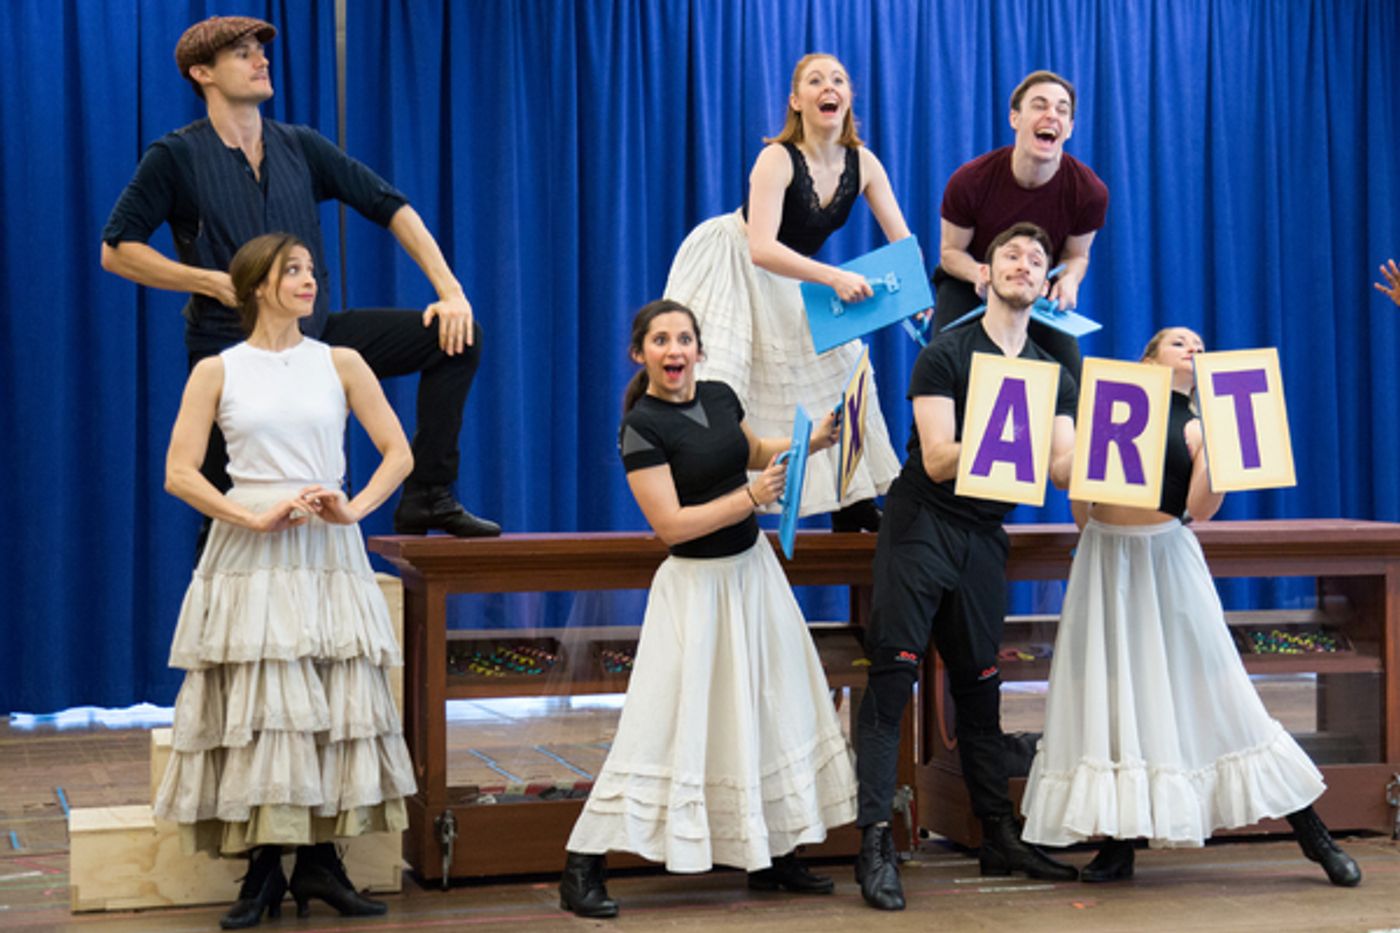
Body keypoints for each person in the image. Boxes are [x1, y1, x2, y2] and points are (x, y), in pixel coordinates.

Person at [101, 15, 497, 539]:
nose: (262, 59)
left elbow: (389, 206)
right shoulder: (176, 157)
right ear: (203, 73)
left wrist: (450, 292)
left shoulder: (300, 145)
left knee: (455, 341)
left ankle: (428, 494)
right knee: (224, 515)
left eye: (260, 50)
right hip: (230, 346)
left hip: (315, 336)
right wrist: (212, 282)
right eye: (242, 53)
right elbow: (118, 250)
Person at [1019, 327, 1362, 888]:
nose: (1193, 349)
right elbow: (1082, 505)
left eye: (1201, 345)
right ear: (1150, 356)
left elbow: (1200, 507)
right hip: (1107, 560)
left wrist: (1219, 456)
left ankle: (1311, 832)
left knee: (1223, 693)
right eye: (1180, 342)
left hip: (1166, 561)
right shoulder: (1110, 408)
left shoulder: (1203, 427)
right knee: (1113, 697)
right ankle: (1119, 844)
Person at [558, 299, 857, 918]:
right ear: (640, 354)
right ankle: (582, 863)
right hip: (695, 592)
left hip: (754, 577)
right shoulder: (640, 428)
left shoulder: (720, 395)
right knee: (660, 725)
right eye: (661, 341)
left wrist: (818, 439)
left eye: (685, 339)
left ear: (700, 350)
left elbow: (751, 450)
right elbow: (671, 526)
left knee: (773, 711)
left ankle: (773, 857)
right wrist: (750, 499)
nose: (675, 351)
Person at [156, 232, 418, 928]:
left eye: (310, 270)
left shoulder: (340, 361)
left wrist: (351, 508)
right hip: (252, 549)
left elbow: (399, 453)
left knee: (327, 702)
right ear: (255, 285)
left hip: (325, 550)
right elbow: (179, 471)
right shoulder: (219, 369)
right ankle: (265, 868)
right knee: (263, 705)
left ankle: (322, 865)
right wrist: (251, 513)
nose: (307, 280)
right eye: (291, 270)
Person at [853, 223, 1080, 911]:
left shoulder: (1054, 369)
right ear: (985, 272)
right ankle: (874, 843)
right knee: (892, 680)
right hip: (923, 521)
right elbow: (940, 455)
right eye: (1010, 254)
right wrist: (1014, 426)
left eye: (1038, 259)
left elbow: (1065, 464)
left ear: (1046, 284)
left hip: (985, 533)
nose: (1024, 264)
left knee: (982, 688)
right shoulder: (946, 353)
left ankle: (999, 834)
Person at [663, 52, 915, 532]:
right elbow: (761, 248)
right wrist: (835, 278)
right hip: (735, 261)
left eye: (838, 80)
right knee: (726, 381)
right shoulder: (776, 158)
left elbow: (902, 246)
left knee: (845, 372)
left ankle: (853, 501)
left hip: (796, 275)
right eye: (816, 81)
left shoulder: (863, 164)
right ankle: (719, 502)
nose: (829, 87)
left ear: (848, 98)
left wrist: (911, 297)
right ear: (796, 101)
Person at [933, 70, 1109, 383]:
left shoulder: (1089, 191)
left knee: (1071, 379)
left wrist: (1069, 281)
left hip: (1034, 289)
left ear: (1069, 128)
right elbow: (950, 252)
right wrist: (981, 275)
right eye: (1040, 106)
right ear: (1015, 118)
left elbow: (1077, 255)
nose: (1051, 115)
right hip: (971, 283)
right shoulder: (970, 181)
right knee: (941, 366)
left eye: (1062, 110)